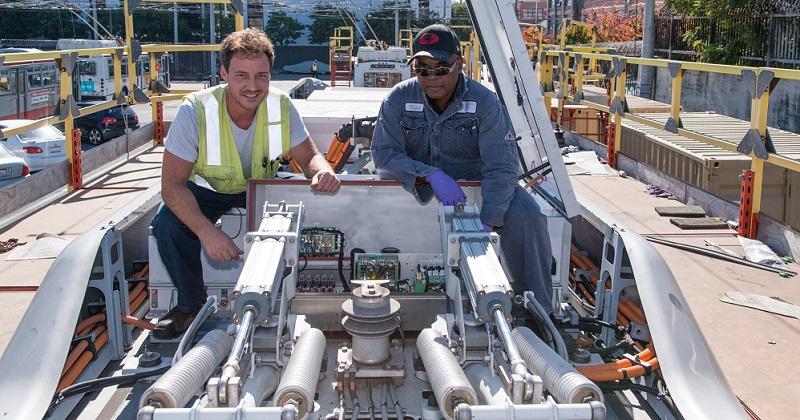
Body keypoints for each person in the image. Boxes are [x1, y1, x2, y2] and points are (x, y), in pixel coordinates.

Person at [151, 28, 340, 339]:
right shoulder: (195, 111)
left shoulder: (280, 105)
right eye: (241, 76)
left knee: (300, 218)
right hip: (207, 190)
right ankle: (190, 304)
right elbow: (171, 186)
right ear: (224, 73)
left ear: (270, 74)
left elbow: (309, 156)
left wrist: (322, 171)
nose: (253, 87)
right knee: (167, 226)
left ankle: (288, 296)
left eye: (261, 76)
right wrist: (207, 231)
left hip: (260, 186)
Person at [370, 24, 554, 312]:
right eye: (422, 68)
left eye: (441, 68)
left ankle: (538, 310)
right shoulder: (398, 99)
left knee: (528, 214)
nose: (431, 78)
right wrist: (428, 173)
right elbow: (384, 155)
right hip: (417, 185)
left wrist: (489, 221)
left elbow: (502, 166)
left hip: (477, 188)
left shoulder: (484, 103)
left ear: (459, 64)